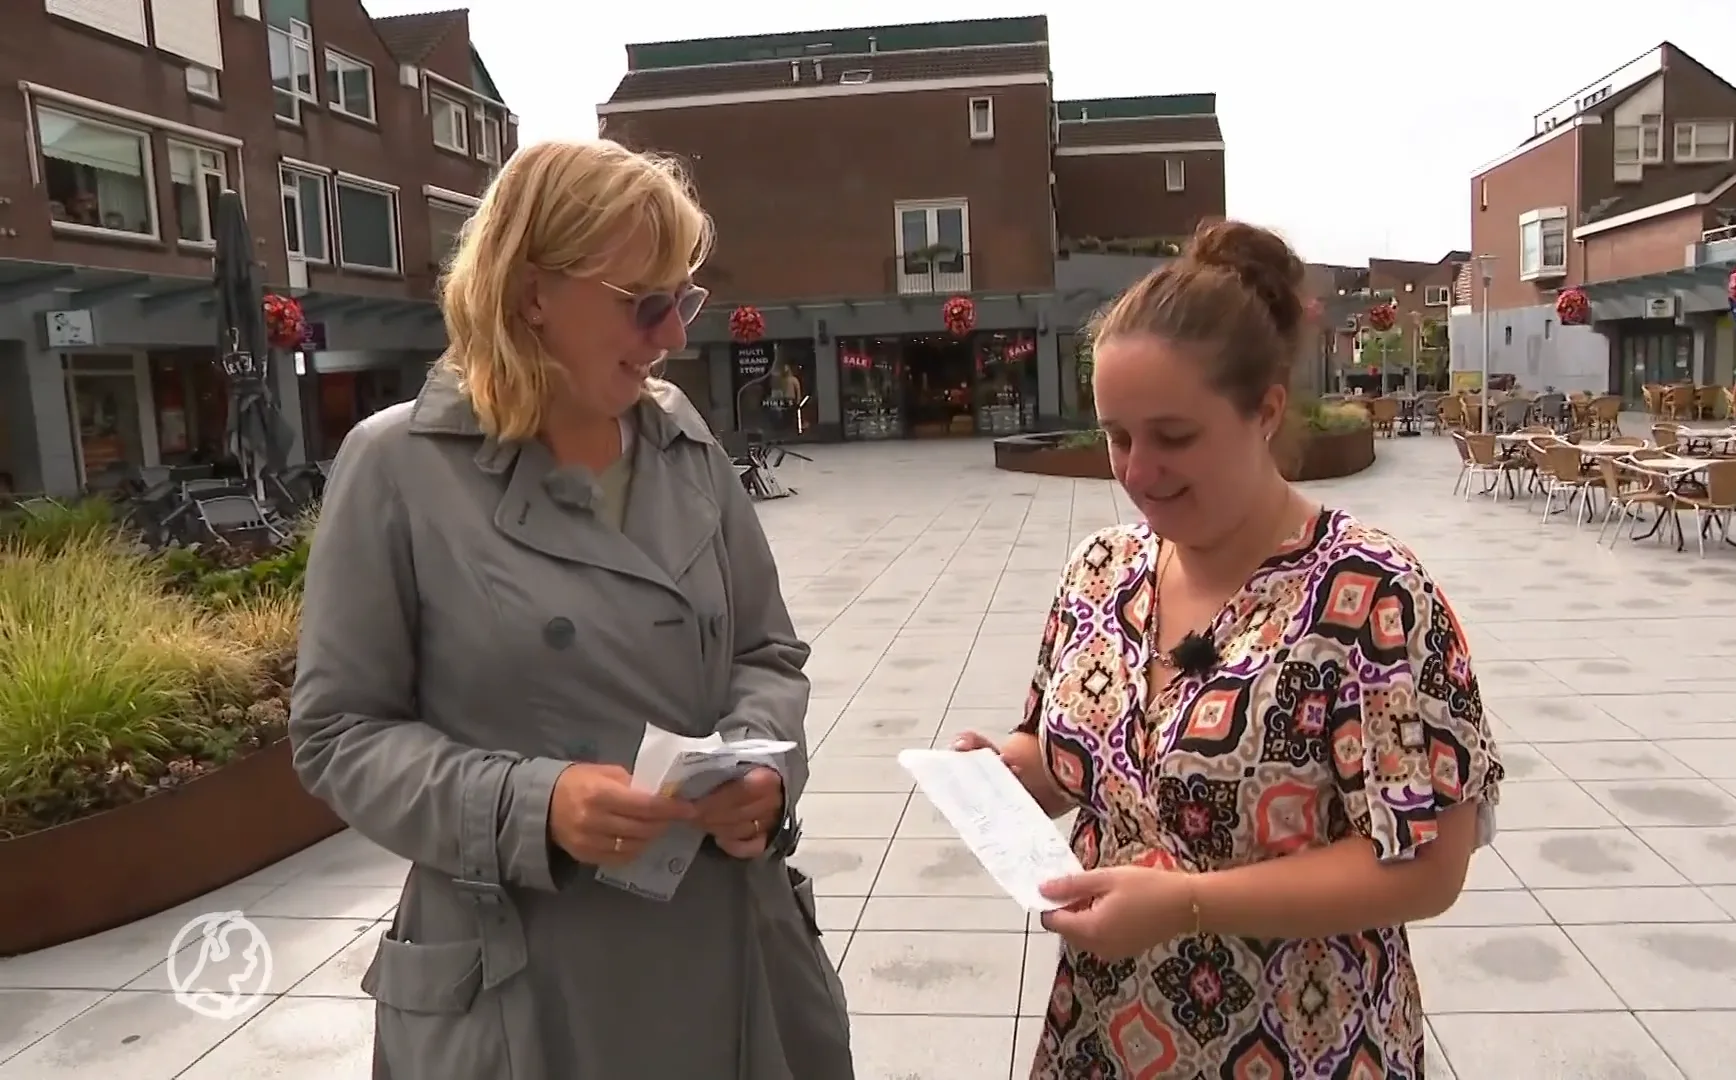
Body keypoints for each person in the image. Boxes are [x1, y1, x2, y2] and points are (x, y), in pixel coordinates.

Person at [289, 140, 854, 1080]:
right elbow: (338, 733)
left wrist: (764, 767)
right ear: (530, 292)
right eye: (644, 303)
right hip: (525, 983)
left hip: (729, 952)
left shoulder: (685, 446)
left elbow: (767, 652)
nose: (673, 334)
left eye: (685, 299)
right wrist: (532, 803)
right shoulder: (396, 467)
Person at [956, 219, 1503, 1079]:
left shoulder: (1370, 597)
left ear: (1267, 411)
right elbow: (1086, 759)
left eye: (1173, 437)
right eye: (1116, 435)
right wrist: (1010, 770)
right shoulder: (1099, 572)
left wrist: (1192, 907)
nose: (1137, 471)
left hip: (1301, 1044)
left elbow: (1428, 865)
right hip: (1104, 1036)